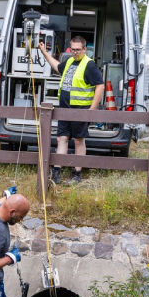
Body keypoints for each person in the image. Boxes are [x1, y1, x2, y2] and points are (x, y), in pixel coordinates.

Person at [38, 36, 105, 185]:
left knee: (78, 141)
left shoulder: (89, 65)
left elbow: (100, 85)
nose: (75, 52)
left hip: (80, 110)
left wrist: (92, 110)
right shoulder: (69, 61)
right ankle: (56, 172)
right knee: (61, 139)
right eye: (72, 49)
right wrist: (44, 52)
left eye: (78, 50)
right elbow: (57, 66)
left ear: (84, 49)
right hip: (65, 109)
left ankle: (77, 173)